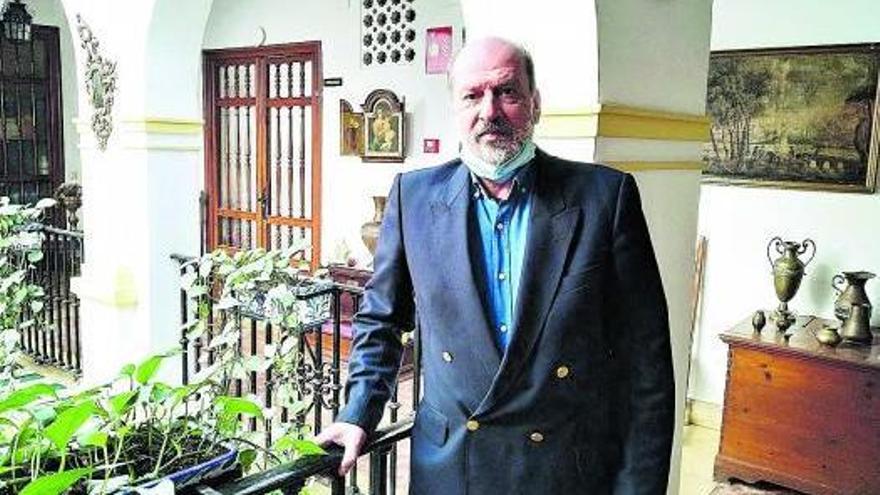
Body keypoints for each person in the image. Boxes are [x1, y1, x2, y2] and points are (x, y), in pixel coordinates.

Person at [316, 36, 674, 494]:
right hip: (451, 470)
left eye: (506, 92)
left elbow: (646, 366)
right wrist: (358, 411)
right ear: (455, 108)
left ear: (535, 103)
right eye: (472, 95)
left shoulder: (604, 199)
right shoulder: (413, 197)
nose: (489, 111)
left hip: (564, 471)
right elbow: (382, 321)